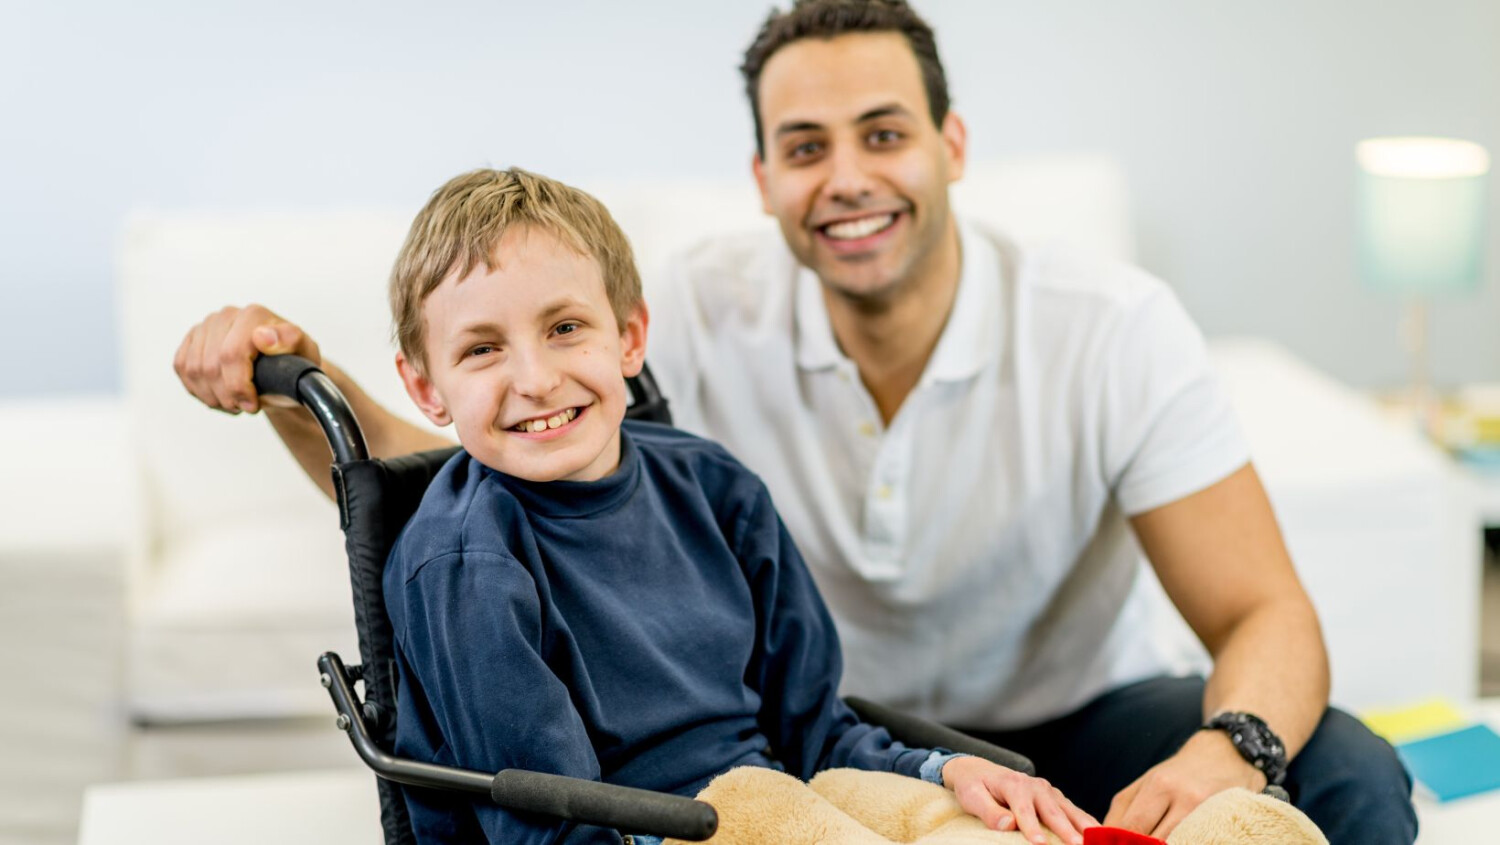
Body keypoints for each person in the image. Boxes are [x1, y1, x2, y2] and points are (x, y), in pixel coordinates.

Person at [174, 2, 1416, 841]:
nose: (848, 178)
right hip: (796, 733)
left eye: (883, 133)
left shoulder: (1108, 323)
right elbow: (477, 462)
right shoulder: (700, 308)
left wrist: (1229, 752)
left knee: (1347, 773)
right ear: (763, 176)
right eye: (804, 145)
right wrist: (308, 376)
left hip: (1046, 712)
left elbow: (1268, 612)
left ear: (951, 144)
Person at [369, 166, 1095, 844]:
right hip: (633, 830)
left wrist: (938, 770)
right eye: (482, 350)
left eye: (565, 328)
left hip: (788, 799)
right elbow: (549, 824)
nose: (534, 379)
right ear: (427, 388)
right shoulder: (465, 562)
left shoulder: (717, 488)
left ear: (629, 336)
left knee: (988, 823)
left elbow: (818, 734)